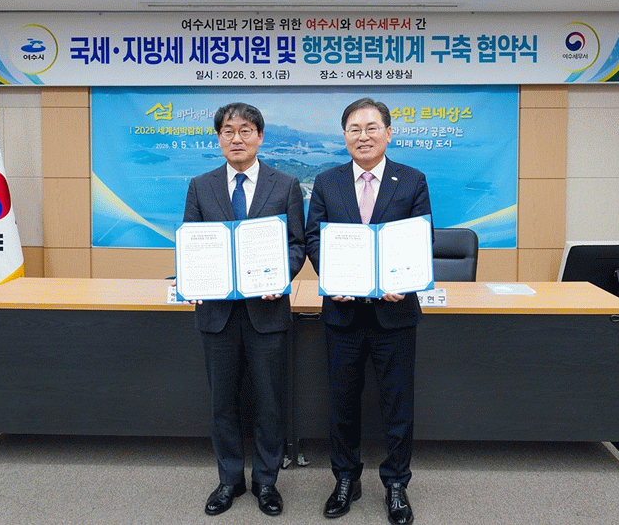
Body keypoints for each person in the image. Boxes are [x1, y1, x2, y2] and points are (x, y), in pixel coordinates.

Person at [305, 98, 432, 525]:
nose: (363, 136)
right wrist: (333, 275)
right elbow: (314, 238)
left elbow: (421, 238)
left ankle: (396, 483)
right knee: (342, 402)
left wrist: (405, 280)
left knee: (398, 404)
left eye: (371, 127)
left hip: (395, 315)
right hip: (343, 316)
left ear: (388, 133)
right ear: (344, 136)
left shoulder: (411, 180)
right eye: (354, 129)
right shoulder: (327, 181)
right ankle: (346, 479)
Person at [182, 102, 305, 517]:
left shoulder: (285, 184)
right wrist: (192, 278)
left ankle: (266, 481)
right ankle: (229, 480)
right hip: (217, 315)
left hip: (266, 313)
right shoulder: (200, 186)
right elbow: (193, 241)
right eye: (228, 131)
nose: (237, 138)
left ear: (260, 137)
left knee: (269, 401)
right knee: (223, 403)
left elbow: (296, 245)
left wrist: (279, 277)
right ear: (219, 139)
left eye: (246, 130)